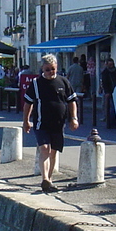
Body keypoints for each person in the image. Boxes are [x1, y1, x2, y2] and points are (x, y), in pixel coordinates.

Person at [22, 54, 79, 193]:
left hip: (58, 123)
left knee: (53, 152)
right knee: (44, 149)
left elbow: (72, 101)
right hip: (42, 122)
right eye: (47, 69)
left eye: (52, 69)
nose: (50, 72)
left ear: (56, 67)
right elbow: (28, 103)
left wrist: (74, 118)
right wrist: (26, 121)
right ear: (42, 69)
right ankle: (45, 179)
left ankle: (49, 180)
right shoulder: (36, 83)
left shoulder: (63, 82)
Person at [100, 58, 116, 126]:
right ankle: (110, 121)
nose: (111, 66)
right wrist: (107, 91)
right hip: (109, 92)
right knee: (110, 107)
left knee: (114, 107)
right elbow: (105, 82)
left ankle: (114, 121)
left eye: (112, 64)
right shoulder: (105, 72)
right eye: (110, 64)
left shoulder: (115, 71)